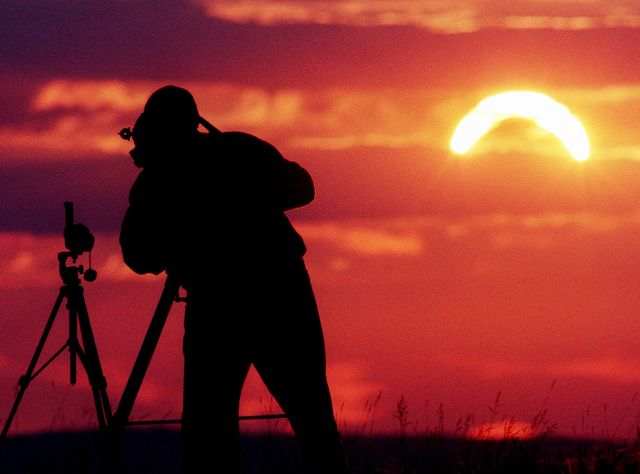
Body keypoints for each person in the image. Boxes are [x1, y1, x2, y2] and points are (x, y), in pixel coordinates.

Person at [119, 85, 347, 473]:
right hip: (278, 295)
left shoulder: (162, 180)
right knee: (310, 414)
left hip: (227, 306)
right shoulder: (237, 151)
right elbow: (302, 185)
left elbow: (139, 256)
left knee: (211, 428)